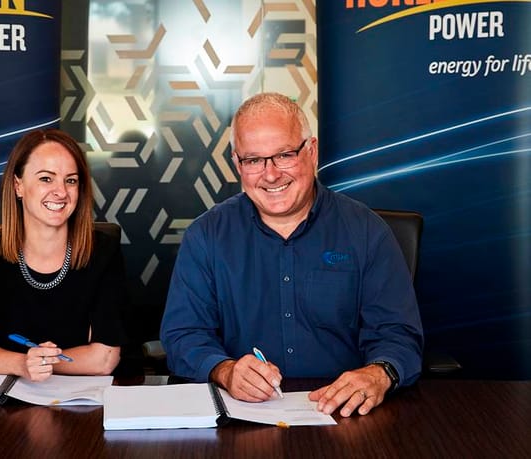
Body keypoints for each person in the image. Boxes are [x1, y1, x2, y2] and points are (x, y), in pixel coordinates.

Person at [160, 93, 423, 417]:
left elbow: (398, 335)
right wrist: (224, 370)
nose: (270, 175)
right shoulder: (206, 236)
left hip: (346, 415)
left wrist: (378, 373)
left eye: (284, 155)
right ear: (237, 163)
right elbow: (183, 335)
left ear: (312, 151)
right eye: (253, 160)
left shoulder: (368, 232)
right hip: (243, 418)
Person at [0, 128, 128, 382]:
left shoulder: (103, 251)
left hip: (78, 400)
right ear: (18, 186)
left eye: (71, 180)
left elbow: (104, 359)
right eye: (46, 179)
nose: (61, 192)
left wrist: (42, 363)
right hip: (3, 396)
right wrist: (23, 364)